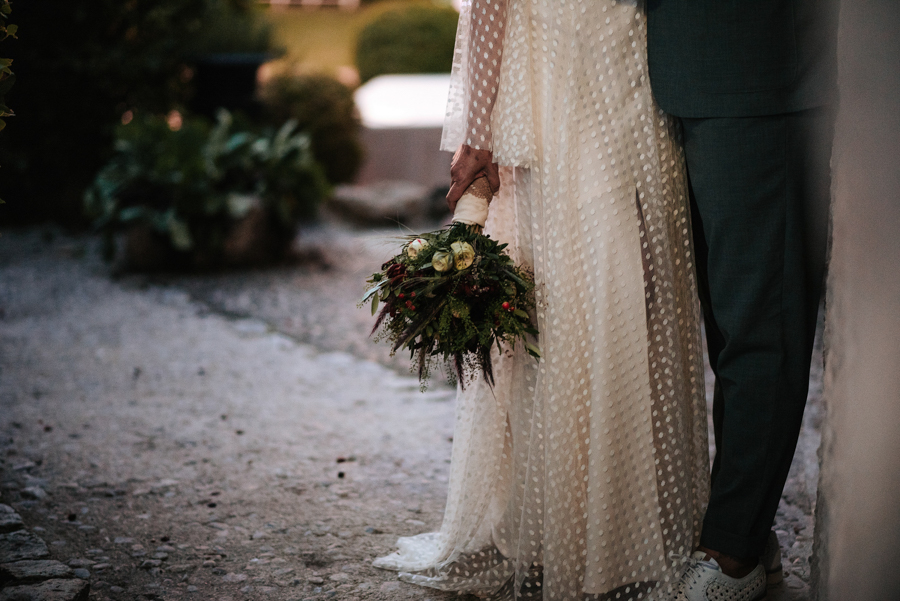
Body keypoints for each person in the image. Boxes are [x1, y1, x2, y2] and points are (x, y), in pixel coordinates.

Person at [374, 1, 711, 599]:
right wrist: (479, 136)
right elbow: (489, 7)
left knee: (631, 296)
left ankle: (625, 524)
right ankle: (572, 531)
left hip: (631, 79)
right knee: (574, 301)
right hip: (556, 88)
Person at [642, 1, 838, 599]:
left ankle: (733, 554)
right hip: (668, 74)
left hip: (755, 71)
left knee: (759, 321)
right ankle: (747, 527)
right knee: (725, 330)